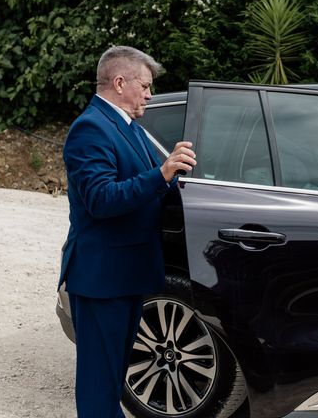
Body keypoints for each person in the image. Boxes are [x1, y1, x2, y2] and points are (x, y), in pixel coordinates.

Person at [58, 45, 196, 417]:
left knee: (114, 379)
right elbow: (101, 200)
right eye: (146, 86)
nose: (150, 94)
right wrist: (162, 173)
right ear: (120, 82)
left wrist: (175, 173)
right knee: (99, 388)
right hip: (102, 278)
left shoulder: (128, 125)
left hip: (127, 274)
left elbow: (147, 185)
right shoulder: (90, 128)